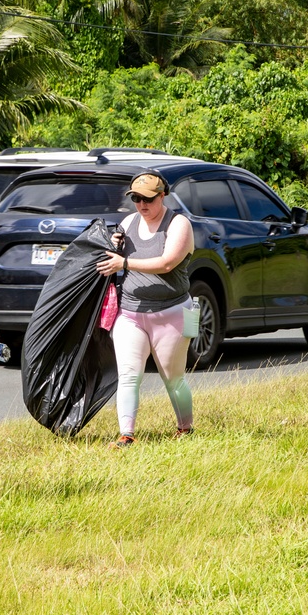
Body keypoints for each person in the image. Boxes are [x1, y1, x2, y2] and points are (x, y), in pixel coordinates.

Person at [95, 172, 196, 448]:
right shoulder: (129, 222)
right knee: (129, 374)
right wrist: (115, 245)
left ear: (162, 196)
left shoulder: (179, 224)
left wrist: (124, 263)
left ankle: (185, 429)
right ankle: (126, 435)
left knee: (173, 378)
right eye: (136, 198)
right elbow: (115, 258)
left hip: (174, 312)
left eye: (148, 199)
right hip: (130, 313)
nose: (141, 204)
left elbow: (166, 263)